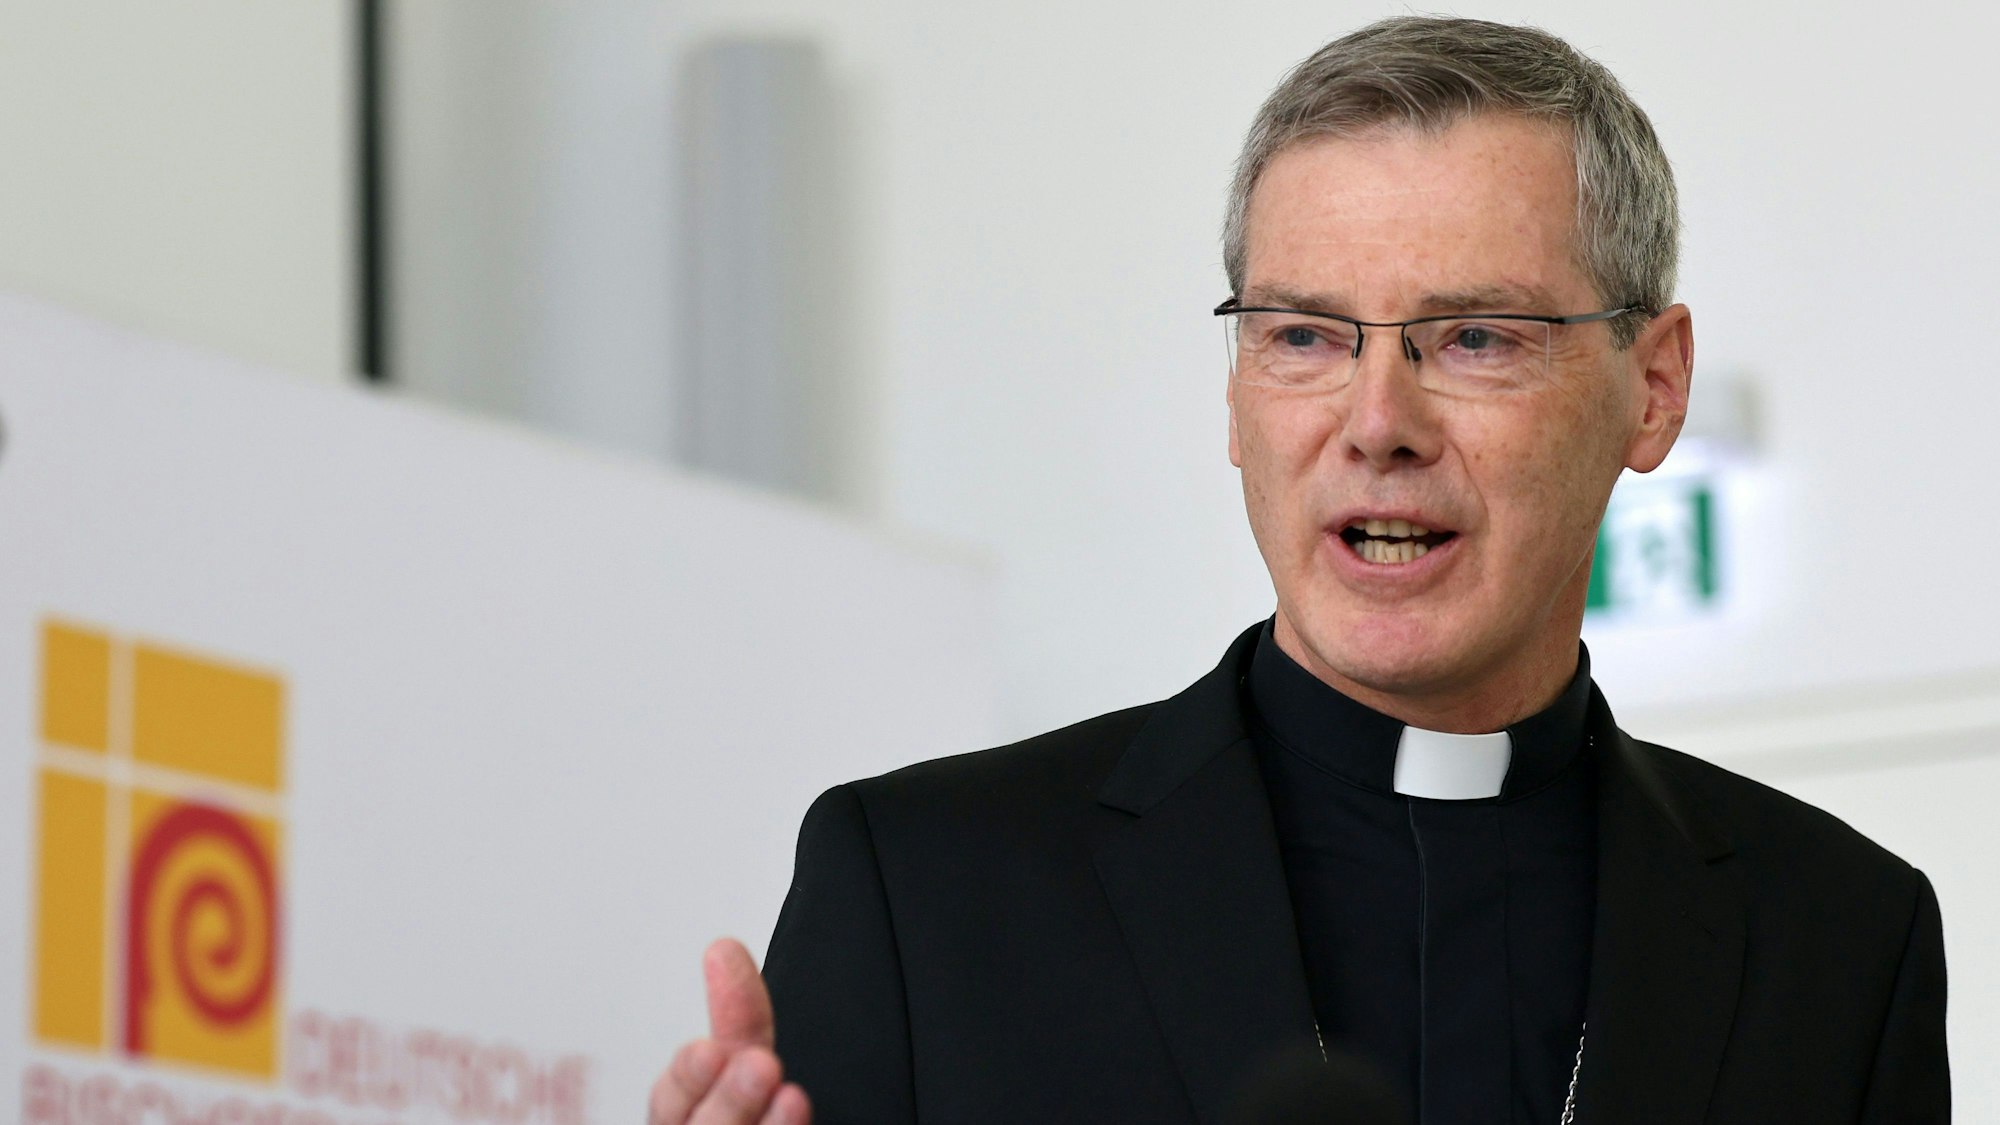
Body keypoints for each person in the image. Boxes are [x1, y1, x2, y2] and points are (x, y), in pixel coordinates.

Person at [647, 16, 1950, 1125]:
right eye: (1306, 336)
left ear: (1653, 388)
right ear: (1236, 395)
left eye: (1476, 335)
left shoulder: (1837, 939)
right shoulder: (932, 893)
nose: (1377, 420)